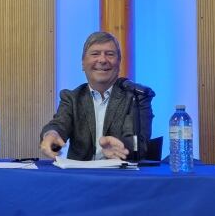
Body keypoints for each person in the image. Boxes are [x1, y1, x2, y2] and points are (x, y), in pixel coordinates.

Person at [39, 31, 153, 161]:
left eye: (110, 54)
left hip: (122, 176)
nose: (102, 60)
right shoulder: (72, 98)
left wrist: (122, 146)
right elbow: (59, 124)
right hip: (82, 178)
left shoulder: (135, 97)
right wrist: (51, 134)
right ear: (83, 63)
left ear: (119, 62)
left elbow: (138, 141)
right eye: (95, 54)